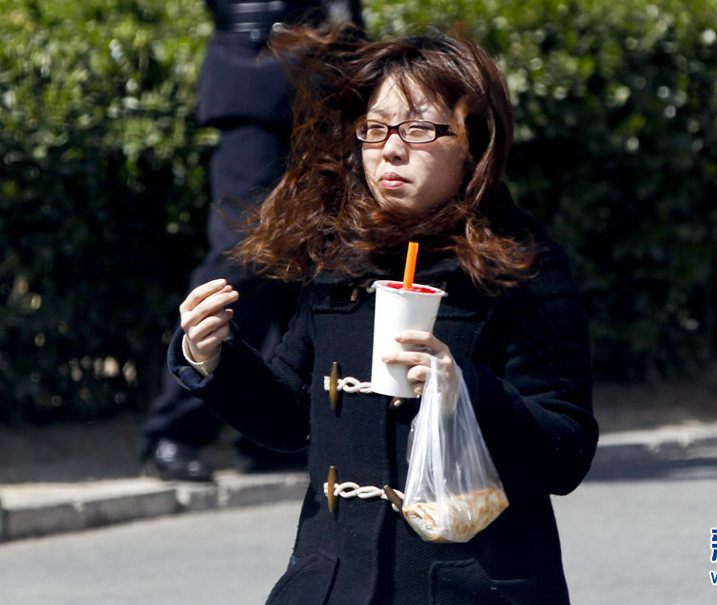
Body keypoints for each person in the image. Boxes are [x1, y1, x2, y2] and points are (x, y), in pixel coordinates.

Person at [168, 26, 598, 605]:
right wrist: (215, 356)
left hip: (468, 589)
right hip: (331, 584)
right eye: (375, 129)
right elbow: (292, 418)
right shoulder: (340, 258)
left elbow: (565, 452)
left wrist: (464, 389)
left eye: (419, 128)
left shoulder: (523, 263)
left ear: (475, 139)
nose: (391, 148)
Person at [140, 0, 363, 480]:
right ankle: (176, 429)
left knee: (307, 256)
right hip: (255, 66)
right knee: (243, 253)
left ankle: (273, 432)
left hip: (323, 73)